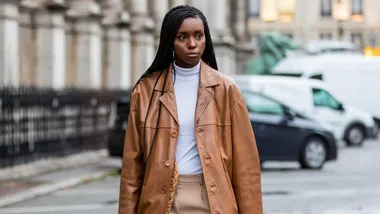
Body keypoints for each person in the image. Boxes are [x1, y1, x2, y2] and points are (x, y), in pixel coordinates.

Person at [118, 5, 263, 214]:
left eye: (198, 36)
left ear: (206, 39)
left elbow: (246, 168)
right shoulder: (145, 92)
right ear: (170, 40)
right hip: (159, 202)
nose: (192, 44)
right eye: (182, 37)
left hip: (212, 201)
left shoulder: (227, 90)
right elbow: (132, 170)